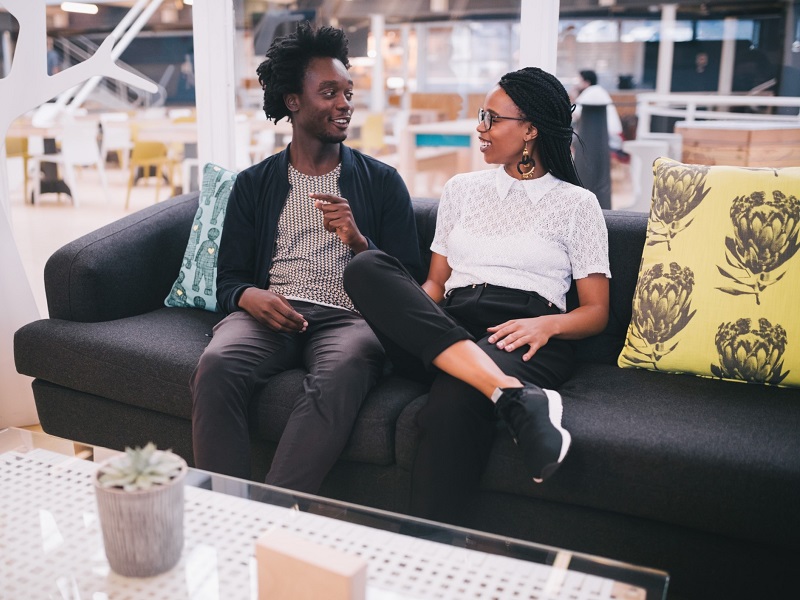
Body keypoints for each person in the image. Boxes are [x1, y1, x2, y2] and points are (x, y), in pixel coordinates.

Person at [343, 66, 610, 521]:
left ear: (530, 130)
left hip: (522, 334)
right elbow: (434, 285)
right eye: (480, 116)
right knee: (367, 266)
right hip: (450, 323)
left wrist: (548, 324)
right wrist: (400, 310)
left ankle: (426, 552)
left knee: (453, 393)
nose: (479, 128)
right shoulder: (461, 190)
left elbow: (596, 312)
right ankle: (512, 396)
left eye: (491, 118)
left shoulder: (576, 204)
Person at [190, 22, 421, 494]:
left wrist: (359, 241)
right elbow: (228, 277)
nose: (344, 104)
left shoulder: (382, 182)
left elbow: (410, 282)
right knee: (217, 364)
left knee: (344, 369)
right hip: (271, 315)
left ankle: (274, 509)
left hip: (349, 320)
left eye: (348, 93)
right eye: (329, 92)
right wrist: (250, 296)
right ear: (293, 102)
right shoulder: (254, 184)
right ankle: (227, 508)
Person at [572, 69, 624, 152]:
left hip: (609, 138)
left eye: (579, 80)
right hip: (612, 135)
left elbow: (574, 114)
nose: (577, 84)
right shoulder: (599, 90)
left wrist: (574, 96)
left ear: (586, 82)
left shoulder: (590, 92)